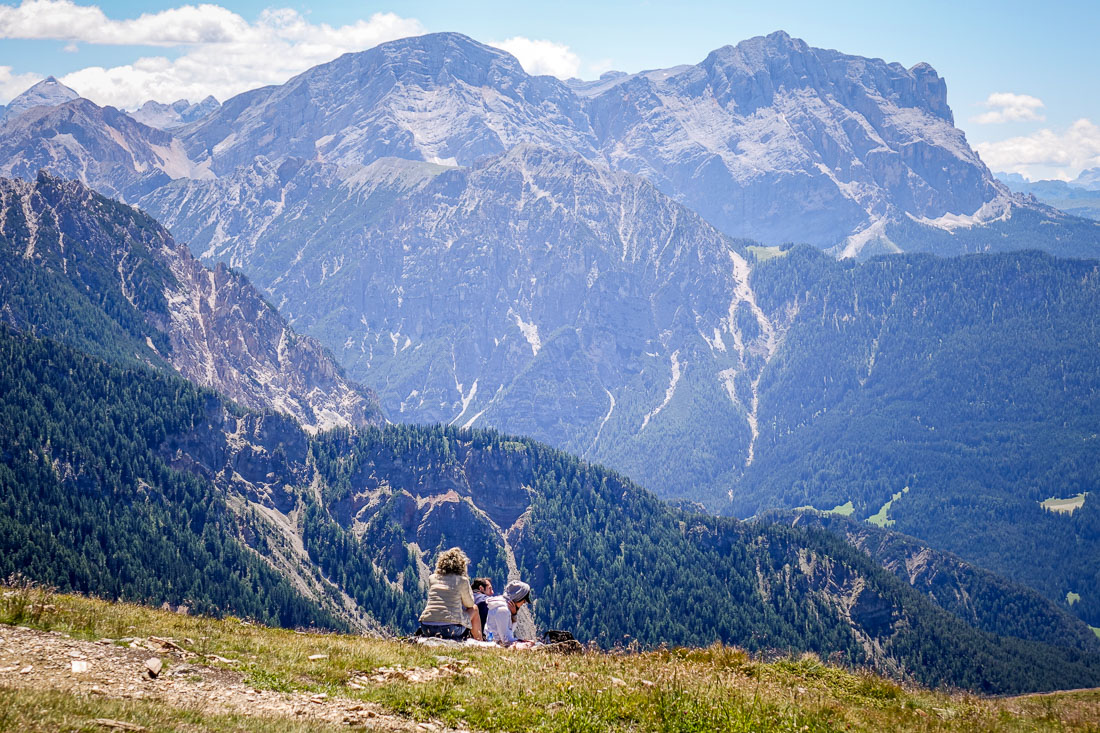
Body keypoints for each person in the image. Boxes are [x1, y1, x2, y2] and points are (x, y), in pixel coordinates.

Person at [417, 547, 483, 641]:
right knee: (475, 609)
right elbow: (470, 604)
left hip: (426, 626)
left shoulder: (432, 578)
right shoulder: (462, 580)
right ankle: (479, 641)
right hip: (449, 628)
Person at [484, 580, 532, 646]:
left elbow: (509, 632)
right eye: (524, 599)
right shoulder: (503, 610)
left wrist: (514, 615)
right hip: (495, 644)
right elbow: (506, 640)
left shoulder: (504, 606)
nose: (524, 602)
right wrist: (523, 642)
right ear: (518, 598)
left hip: (495, 642)